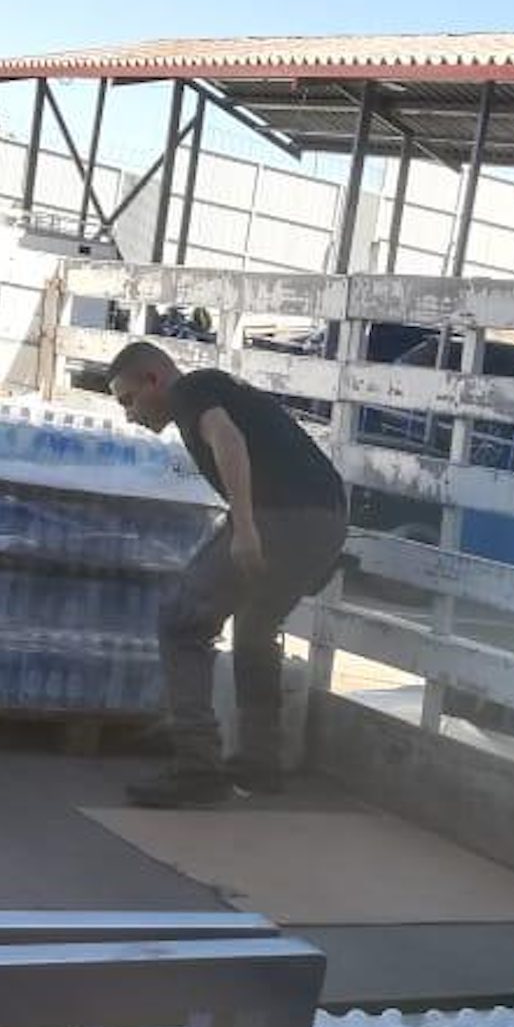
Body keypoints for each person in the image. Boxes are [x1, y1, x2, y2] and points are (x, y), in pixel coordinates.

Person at [108, 341, 348, 807]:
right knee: (255, 627)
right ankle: (261, 761)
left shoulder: (191, 391)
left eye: (129, 400)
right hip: (326, 519)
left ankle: (197, 764)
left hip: (285, 514)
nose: (130, 416)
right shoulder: (218, 391)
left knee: (181, 621)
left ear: (154, 380)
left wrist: (244, 526)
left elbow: (227, 439)